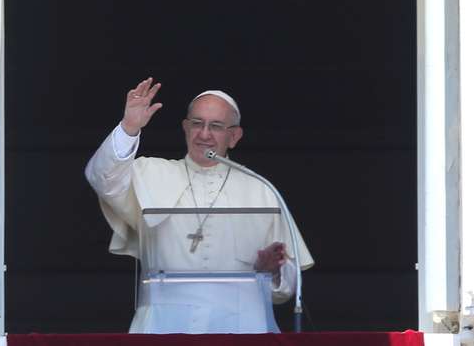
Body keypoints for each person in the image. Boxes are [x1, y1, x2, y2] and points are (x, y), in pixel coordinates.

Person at [85, 77, 314, 333]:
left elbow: (288, 284)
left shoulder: (261, 189)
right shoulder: (149, 173)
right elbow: (102, 177)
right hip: (162, 324)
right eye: (197, 124)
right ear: (185, 127)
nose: (204, 134)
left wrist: (271, 272)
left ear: (234, 136)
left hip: (242, 325)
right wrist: (129, 127)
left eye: (216, 126)